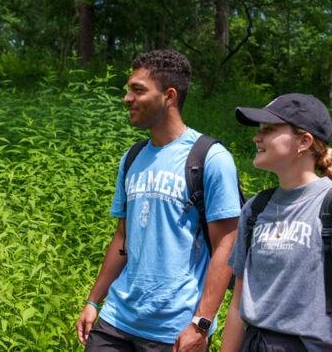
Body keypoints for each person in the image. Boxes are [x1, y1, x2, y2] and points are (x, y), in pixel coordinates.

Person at [74, 49, 243, 351]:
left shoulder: (211, 159)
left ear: (169, 96)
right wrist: (92, 301)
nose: (127, 98)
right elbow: (122, 237)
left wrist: (201, 323)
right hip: (117, 320)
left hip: (174, 331)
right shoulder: (132, 158)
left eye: (138, 90)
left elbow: (226, 246)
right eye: (129, 89)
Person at [221, 93, 332, 352]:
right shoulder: (255, 209)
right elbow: (237, 305)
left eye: (269, 130)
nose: (256, 137)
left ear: (304, 141)